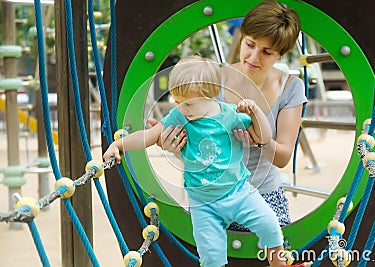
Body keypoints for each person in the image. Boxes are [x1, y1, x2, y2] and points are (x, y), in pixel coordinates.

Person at [104, 56, 309, 267]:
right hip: (203, 204)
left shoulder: (229, 114)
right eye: (177, 101)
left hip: (239, 193)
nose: (182, 108)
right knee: (211, 256)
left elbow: (263, 136)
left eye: (189, 103)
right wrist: (118, 145)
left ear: (210, 95)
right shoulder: (179, 116)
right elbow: (149, 135)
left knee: (270, 227)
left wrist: (256, 112)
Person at [154, 0, 306, 229]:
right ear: (243, 37)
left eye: (266, 52)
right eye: (250, 44)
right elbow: (199, 142)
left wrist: (261, 140)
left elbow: (283, 157)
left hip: (264, 195)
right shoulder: (215, 80)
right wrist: (173, 145)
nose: (254, 57)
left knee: (275, 251)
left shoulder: (290, 88)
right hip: (213, 195)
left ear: (280, 55)